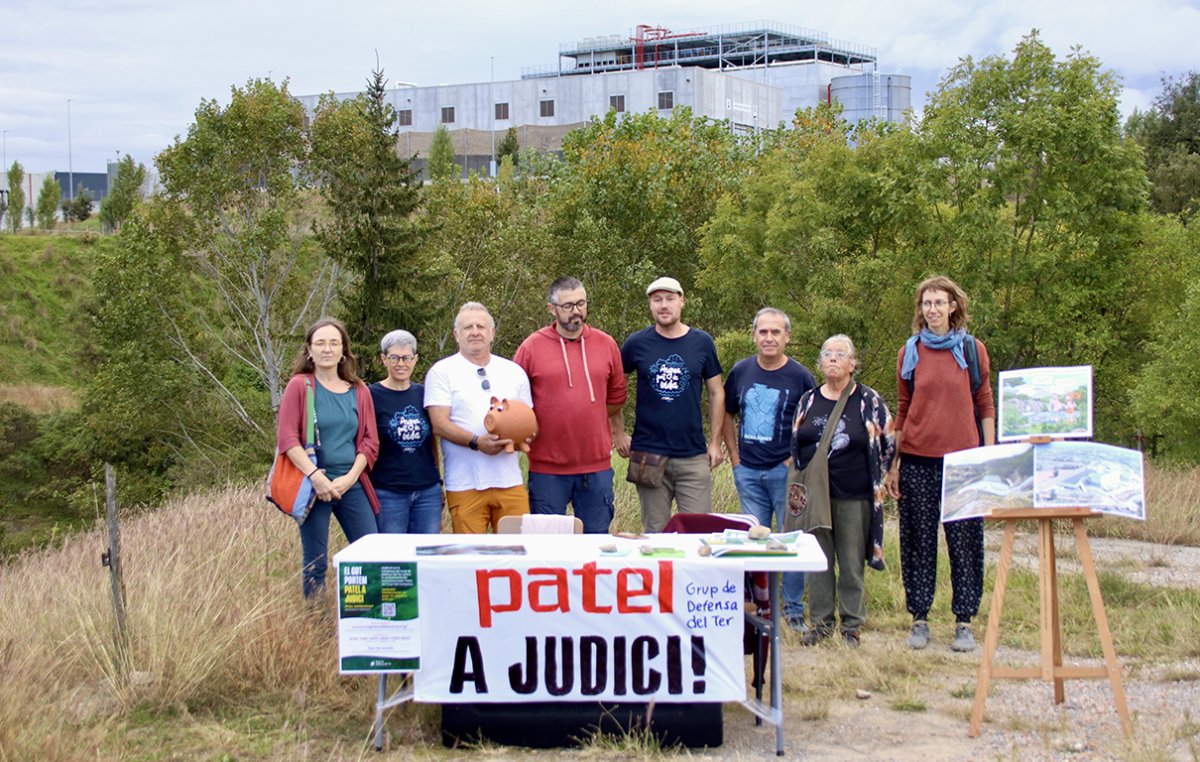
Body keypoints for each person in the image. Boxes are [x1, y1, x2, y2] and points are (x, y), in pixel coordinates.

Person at [885, 275, 995, 652]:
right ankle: (919, 618)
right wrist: (893, 463)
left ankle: (964, 621)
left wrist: (988, 455)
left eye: (939, 302)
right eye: (926, 303)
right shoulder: (909, 352)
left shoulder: (971, 349)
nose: (932, 309)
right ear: (921, 309)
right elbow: (902, 407)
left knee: (965, 542)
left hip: (964, 462)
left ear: (953, 307)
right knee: (918, 543)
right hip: (917, 459)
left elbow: (985, 403)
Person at [791, 335, 895, 647]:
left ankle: (851, 625)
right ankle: (821, 623)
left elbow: (888, 441)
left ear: (853, 364)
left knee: (851, 562)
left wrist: (885, 475)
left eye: (840, 354)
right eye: (827, 354)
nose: (833, 359)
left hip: (855, 493)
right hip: (817, 494)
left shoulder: (868, 400)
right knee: (819, 561)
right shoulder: (809, 399)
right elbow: (796, 442)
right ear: (820, 363)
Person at [721, 307, 815, 630]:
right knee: (755, 543)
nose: (769, 338)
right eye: (763, 332)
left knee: (789, 541)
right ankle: (760, 608)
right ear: (754, 335)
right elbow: (727, 414)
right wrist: (734, 458)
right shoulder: (741, 371)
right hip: (747, 471)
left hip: (784, 472)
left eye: (776, 332)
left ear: (788, 337)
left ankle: (791, 610)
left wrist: (793, 460)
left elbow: (814, 421)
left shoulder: (800, 377)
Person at [276, 318, 380, 599]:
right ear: (309, 350)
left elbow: (370, 441)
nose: (327, 349)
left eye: (334, 343)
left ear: (343, 350)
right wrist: (316, 477)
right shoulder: (300, 386)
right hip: (314, 486)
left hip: (351, 484)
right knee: (315, 564)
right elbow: (288, 439)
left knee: (371, 554)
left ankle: (365, 619)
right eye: (320, 343)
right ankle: (316, 627)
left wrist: (350, 478)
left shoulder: (358, 390)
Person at [514, 277, 627, 533]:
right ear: (551, 308)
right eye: (568, 306)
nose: (576, 311)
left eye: (581, 303)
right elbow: (516, 402)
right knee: (549, 549)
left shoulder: (606, 344)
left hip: (596, 468)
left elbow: (616, 396)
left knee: (595, 545)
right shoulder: (531, 348)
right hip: (547, 469)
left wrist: (590, 417)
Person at [617, 276, 724, 533]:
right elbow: (614, 387)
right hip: (648, 455)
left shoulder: (702, 342)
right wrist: (618, 432)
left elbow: (716, 392)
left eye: (669, 299)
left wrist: (714, 442)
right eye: (657, 300)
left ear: (681, 301)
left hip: (693, 455)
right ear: (650, 305)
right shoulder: (636, 343)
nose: (663, 305)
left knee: (698, 534)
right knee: (656, 535)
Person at [425, 302, 533, 533]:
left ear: (492, 333)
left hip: (510, 482)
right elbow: (439, 423)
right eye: (468, 327)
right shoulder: (442, 371)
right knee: (470, 559)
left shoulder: (514, 371)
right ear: (456, 334)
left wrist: (518, 438)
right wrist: (477, 442)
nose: (475, 331)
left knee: (517, 553)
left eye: (481, 326)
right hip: (465, 484)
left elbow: (528, 420)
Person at [370, 329, 443, 533]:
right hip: (388, 493)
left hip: (427, 492)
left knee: (426, 556)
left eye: (406, 357)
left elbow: (432, 443)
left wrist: (439, 482)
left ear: (415, 359)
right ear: (383, 359)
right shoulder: (371, 395)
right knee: (393, 559)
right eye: (394, 357)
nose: (401, 363)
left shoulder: (424, 394)